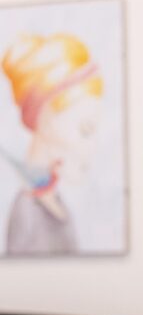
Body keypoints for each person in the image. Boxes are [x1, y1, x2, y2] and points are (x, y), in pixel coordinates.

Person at [1, 29, 103, 255]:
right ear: (46, 121)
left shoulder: (56, 202)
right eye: (85, 130)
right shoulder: (27, 215)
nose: (92, 148)